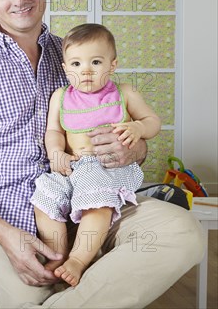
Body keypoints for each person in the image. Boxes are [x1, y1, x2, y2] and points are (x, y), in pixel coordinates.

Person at [0, 0, 204, 308]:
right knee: (31, 301)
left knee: (182, 232)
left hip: (94, 202)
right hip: (5, 217)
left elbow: (135, 134)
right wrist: (5, 235)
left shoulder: (79, 55)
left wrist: (132, 146)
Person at [31, 23, 161, 287]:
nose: (86, 71)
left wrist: (138, 126)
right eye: (76, 64)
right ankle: (57, 254)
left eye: (96, 62)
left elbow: (153, 121)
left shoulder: (124, 93)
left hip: (107, 168)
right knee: (45, 195)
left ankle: (79, 259)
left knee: (97, 202)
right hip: (72, 167)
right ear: (66, 68)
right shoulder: (61, 97)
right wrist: (56, 152)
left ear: (112, 65)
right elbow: (54, 130)